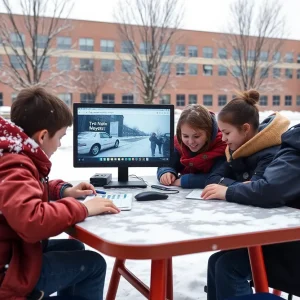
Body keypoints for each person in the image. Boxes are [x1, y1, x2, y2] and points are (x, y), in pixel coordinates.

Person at [0, 87, 120, 300]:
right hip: (9, 272)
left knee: (74, 246)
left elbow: (28, 189)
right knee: (94, 265)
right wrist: (82, 208)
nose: (61, 144)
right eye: (61, 136)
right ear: (43, 136)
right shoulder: (15, 164)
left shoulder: (13, 153)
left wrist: (64, 190)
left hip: (15, 252)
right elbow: (32, 221)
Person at [200, 90, 293, 300]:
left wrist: (229, 189)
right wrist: (239, 187)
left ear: (245, 129)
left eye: (226, 133)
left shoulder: (271, 153)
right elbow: (214, 177)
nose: (222, 139)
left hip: (279, 239)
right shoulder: (236, 149)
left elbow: (261, 190)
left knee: (227, 265)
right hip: (258, 229)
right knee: (216, 261)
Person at [157, 104, 227, 189]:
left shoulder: (222, 146)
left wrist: (184, 181)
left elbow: (218, 178)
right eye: (185, 136)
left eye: (196, 136)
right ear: (180, 133)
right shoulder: (177, 143)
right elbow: (166, 163)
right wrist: (166, 172)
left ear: (209, 133)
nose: (191, 142)